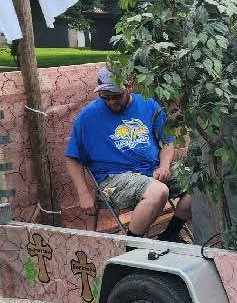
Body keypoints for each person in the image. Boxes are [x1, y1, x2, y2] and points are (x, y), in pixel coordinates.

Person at [65, 67, 191, 240]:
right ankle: (132, 248)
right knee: (159, 191)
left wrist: (163, 166)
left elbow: (167, 142)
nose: (111, 102)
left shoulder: (148, 104)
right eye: (105, 97)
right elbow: (73, 159)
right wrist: (83, 193)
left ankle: (170, 235)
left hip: (151, 171)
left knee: (199, 181)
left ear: (129, 86)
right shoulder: (88, 116)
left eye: (116, 96)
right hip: (111, 181)